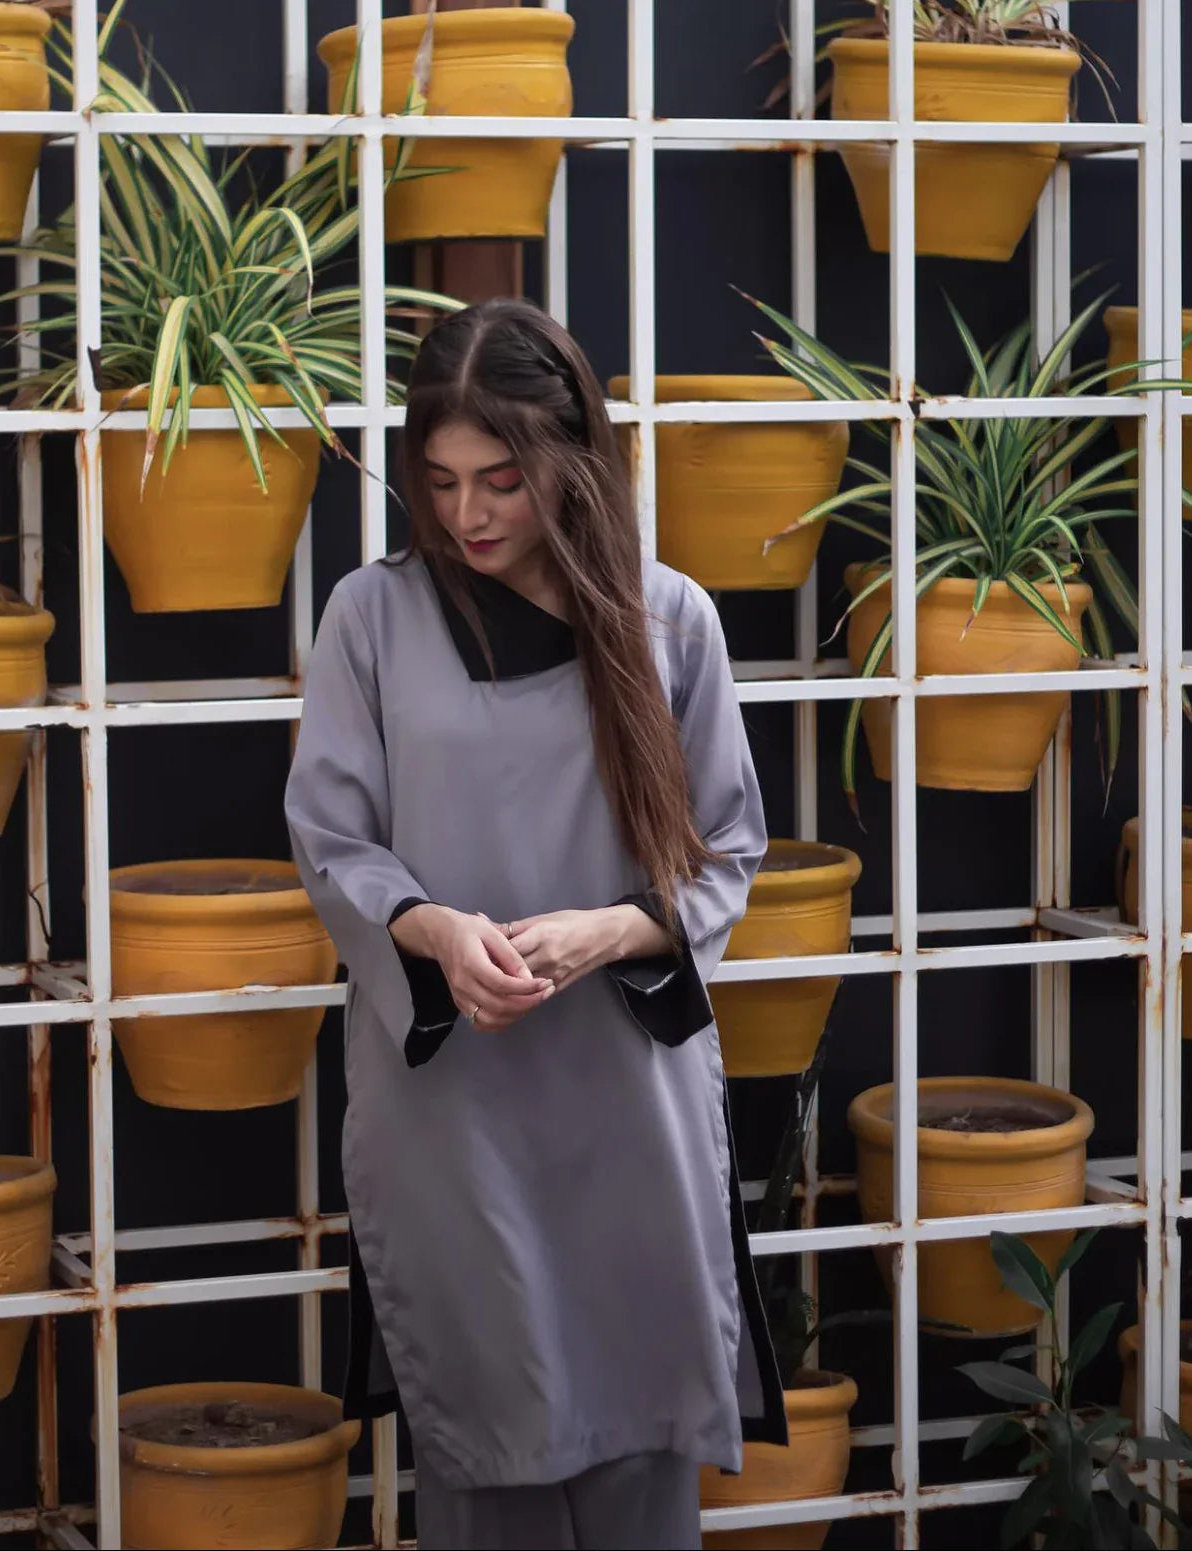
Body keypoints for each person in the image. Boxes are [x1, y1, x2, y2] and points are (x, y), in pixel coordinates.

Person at [284, 297, 785, 1551]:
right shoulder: (370, 620)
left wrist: (610, 931)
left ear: (572, 458)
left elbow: (727, 849)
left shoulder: (671, 623)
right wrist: (441, 929)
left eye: (502, 479)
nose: (469, 514)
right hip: (455, 1101)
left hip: (624, 1098)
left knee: (640, 1445)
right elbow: (334, 839)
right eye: (443, 480)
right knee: (487, 1443)